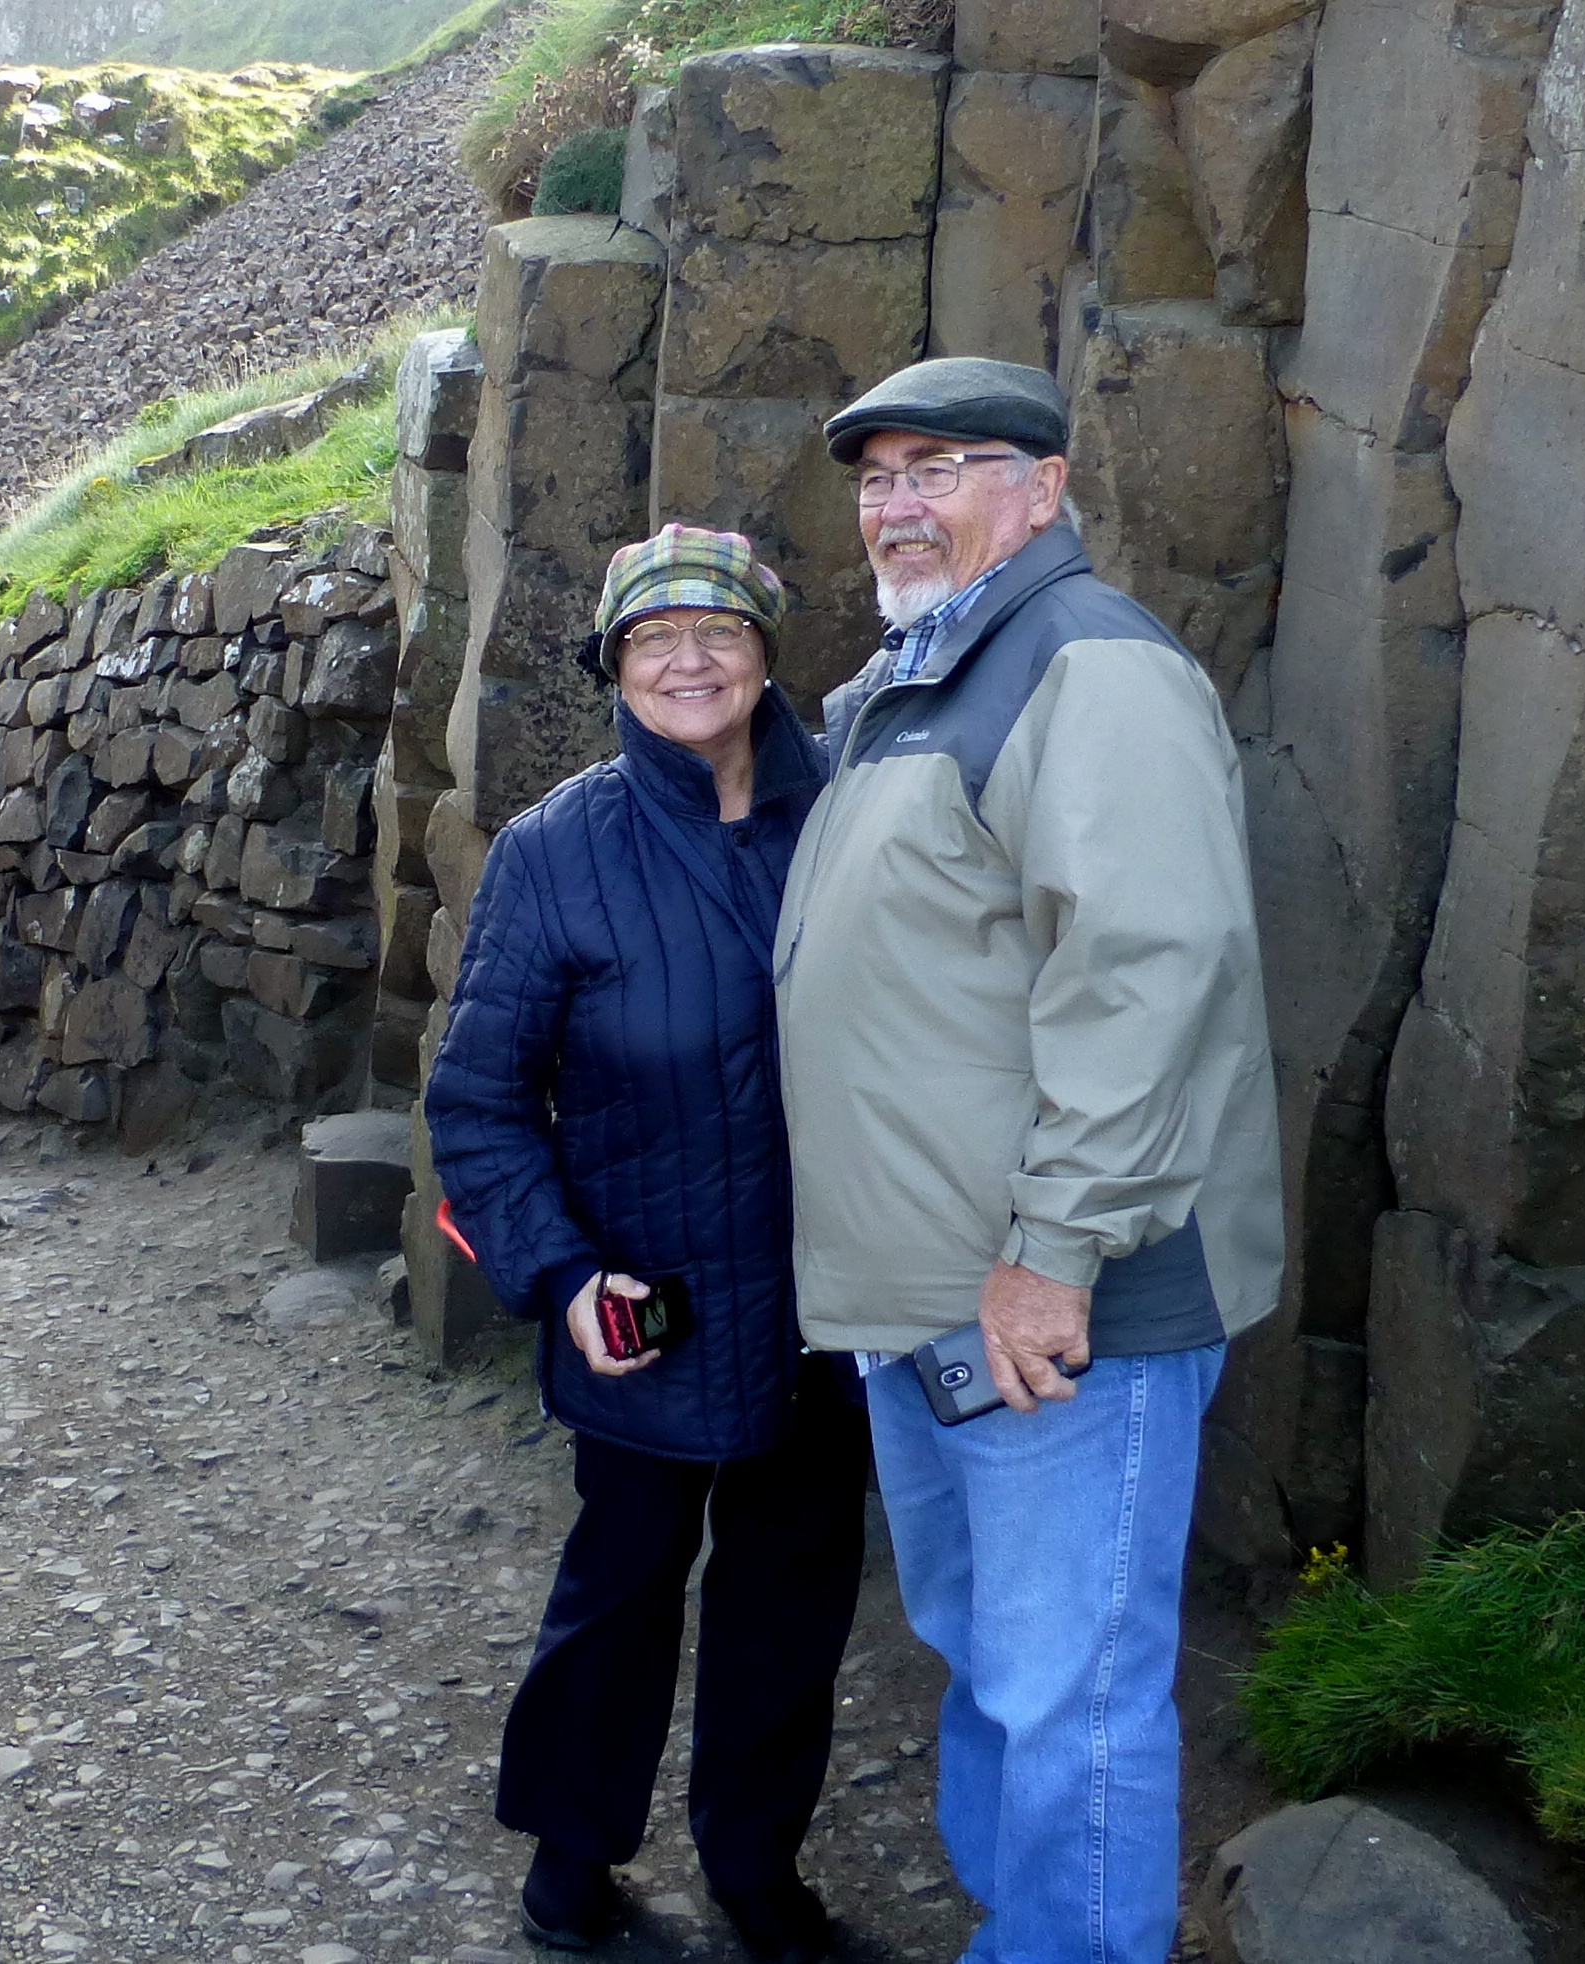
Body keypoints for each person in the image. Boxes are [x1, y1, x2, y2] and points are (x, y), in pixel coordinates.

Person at [774, 358, 1285, 1964]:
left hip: (1050, 1299)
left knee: (1070, 1685)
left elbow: (1146, 966)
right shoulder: (918, 676)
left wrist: (1056, 1250)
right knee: (995, 1656)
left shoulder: (1087, 667)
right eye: (875, 477)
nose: (897, 503)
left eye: (940, 467)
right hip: (932, 1295)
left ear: (1045, 487)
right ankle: (1022, 1935)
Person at [424, 526, 862, 1964]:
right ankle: (569, 1858)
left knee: (788, 1600)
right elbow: (479, 1102)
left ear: (765, 652)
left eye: (717, 631)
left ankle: (757, 1872)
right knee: (619, 1587)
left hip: (830, 1296)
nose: (688, 660)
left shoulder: (852, 815)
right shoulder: (559, 850)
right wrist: (557, 1276)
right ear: (612, 667)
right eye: (652, 639)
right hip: (640, 1300)